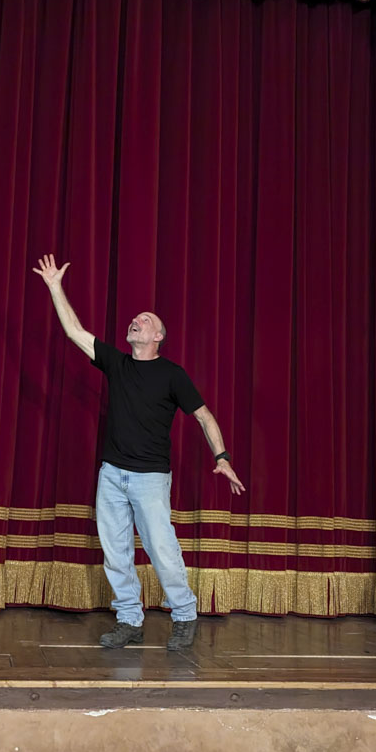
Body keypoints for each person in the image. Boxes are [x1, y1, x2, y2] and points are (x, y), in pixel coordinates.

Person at [32, 254, 246, 651]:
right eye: (134, 319)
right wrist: (54, 287)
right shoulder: (117, 363)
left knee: (162, 549)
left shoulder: (172, 374)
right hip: (112, 474)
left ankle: (184, 615)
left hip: (150, 478)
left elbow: (204, 417)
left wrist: (222, 457)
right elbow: (75, 331)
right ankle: (129, 619)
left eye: (145, 320)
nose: (136, 321)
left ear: (158, 336)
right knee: (115, 553)